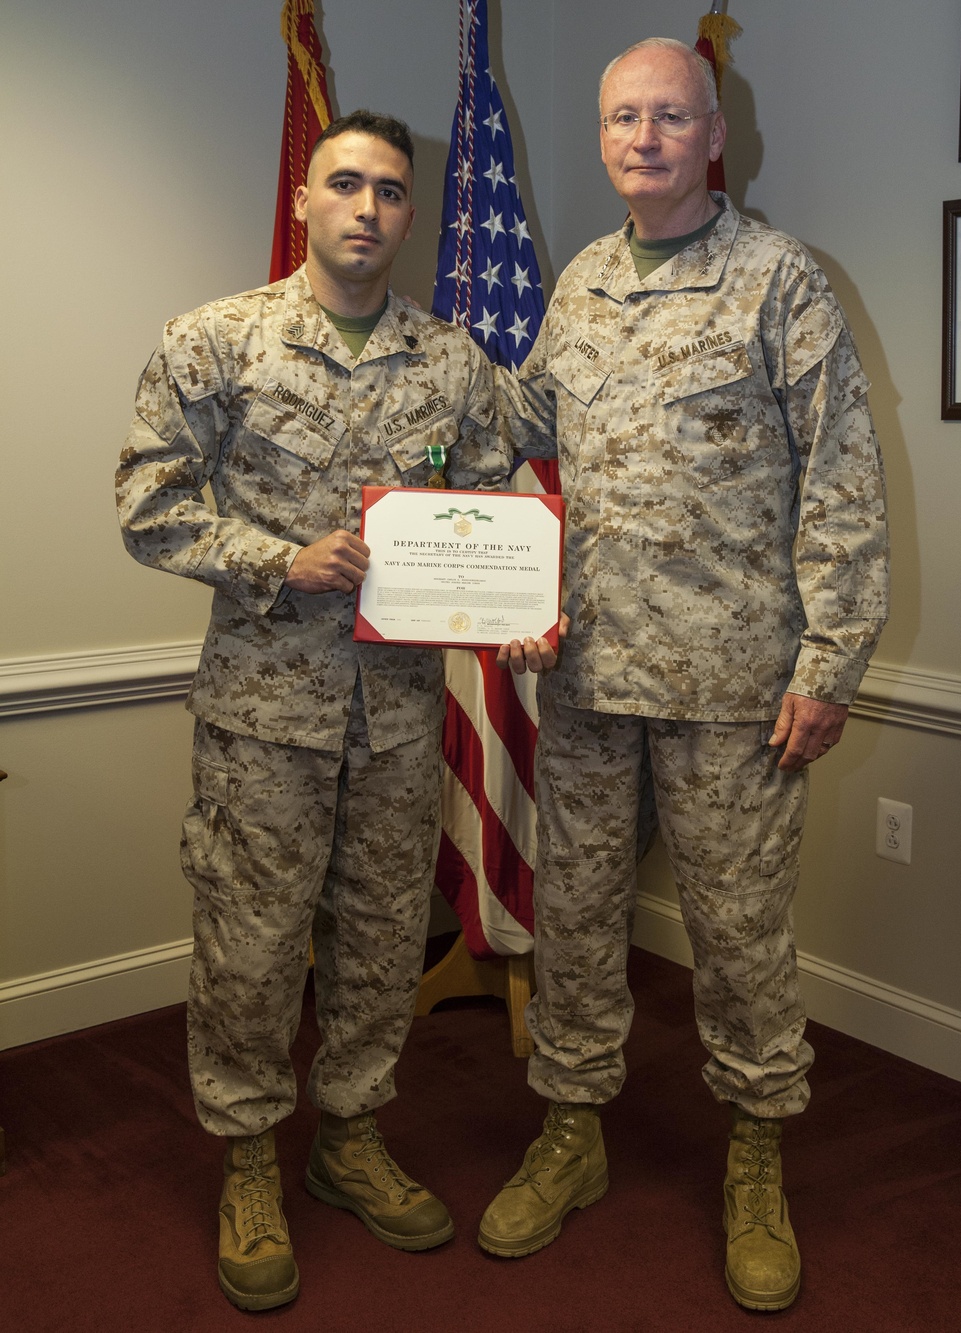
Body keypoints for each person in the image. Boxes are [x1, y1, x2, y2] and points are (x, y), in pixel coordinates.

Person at [482, 38, 889, 1313]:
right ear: (602, 139)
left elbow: (841, 484)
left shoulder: (782, 282)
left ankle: (757, 1152)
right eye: (620, 118)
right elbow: (523, 433)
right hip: (591, 679)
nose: (642, 137)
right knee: (577, 926)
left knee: (740, 940)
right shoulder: (582, 284)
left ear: (714, 135)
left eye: (668, 116)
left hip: (732, 689)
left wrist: (829, 662)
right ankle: (570, 1132)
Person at [116, 109, 510, 1312]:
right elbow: (148, 502)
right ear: (304, 198)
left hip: (395, 718)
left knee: (385, 940)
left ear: (407, 213)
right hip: (263, 717)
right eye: (346, 184)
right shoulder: (215, 341)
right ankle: (247, 1156)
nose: (369, 208)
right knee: (249, 947)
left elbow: (491, 506)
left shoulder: (450, 361)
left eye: (391, 191)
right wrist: (278, 557)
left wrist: (513, 594)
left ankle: (348, 1139)